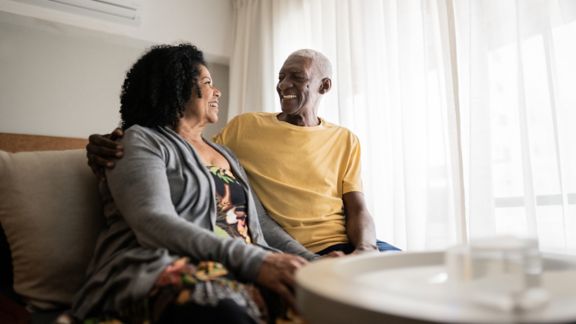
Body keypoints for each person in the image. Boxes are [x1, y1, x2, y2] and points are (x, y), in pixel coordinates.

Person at [71, 43, 310, 324]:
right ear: (177, 88)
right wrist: (254, 262)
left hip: (241, 265)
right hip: (162, 265)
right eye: (208, 83)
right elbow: (153, 221)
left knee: (321, 303)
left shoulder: (225, 154)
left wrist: (313, 263)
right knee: (223, 309)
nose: (217, 91)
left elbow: (263, 225)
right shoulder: (139, 141)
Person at [87, 49, 400, 257]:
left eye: (297, 78)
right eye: (281, 76)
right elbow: (182, 146)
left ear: (325, 85)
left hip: (339, 245)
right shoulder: (244, 127)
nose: (283, 85)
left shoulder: (346, 139)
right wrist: (115, 139)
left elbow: (358, 208)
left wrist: (366, 248)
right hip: (288, 250)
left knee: (412, 275)